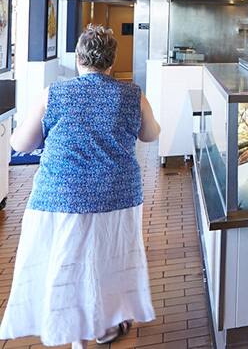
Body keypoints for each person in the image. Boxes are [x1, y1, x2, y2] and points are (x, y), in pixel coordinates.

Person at [0, 25, 160, 349]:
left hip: (61, 195)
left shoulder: (54, 94)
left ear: (78, 59)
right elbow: (151, 134)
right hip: (117, 194)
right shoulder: (132, 95)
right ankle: (104, 324)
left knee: (67, 262)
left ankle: (75, 333)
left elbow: (20, 143)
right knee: (108, 261)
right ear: (112, 62)